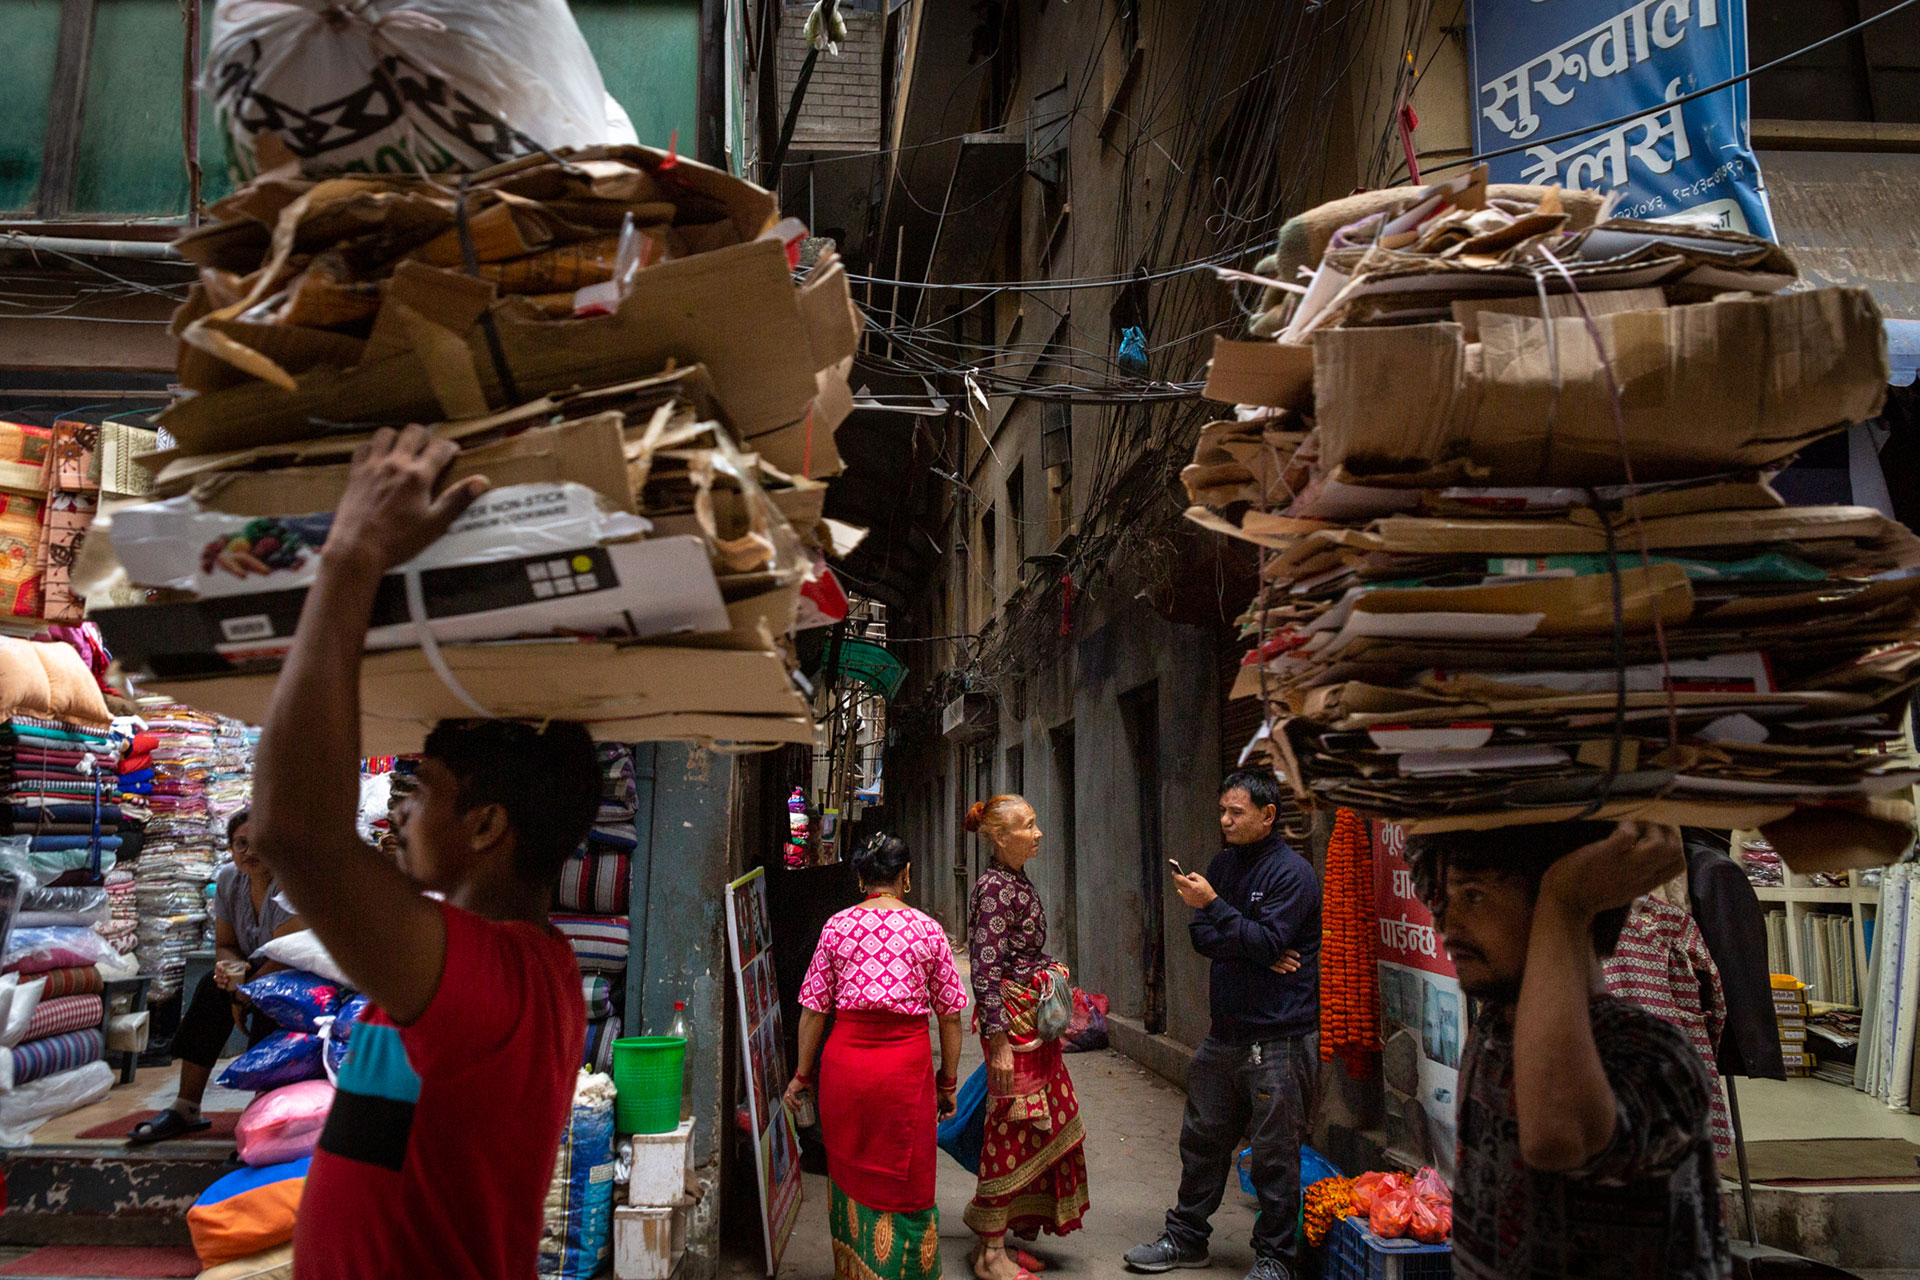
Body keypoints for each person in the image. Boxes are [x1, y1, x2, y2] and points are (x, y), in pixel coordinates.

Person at [249, 425, 601, 1278]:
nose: (398, 815)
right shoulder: (506, 967)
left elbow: (296, 834)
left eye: (420, 792)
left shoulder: (495, 985)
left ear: (484, 826)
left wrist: (353, 555)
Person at [1406, 820, 1728, 1280]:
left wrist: (1565, 902)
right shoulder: (1497, 1026)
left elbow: (1556, 1135)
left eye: (1474, 895)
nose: (1448, 925)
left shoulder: (1651, 1054)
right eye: (1444, 900)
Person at [1125, 770, 1320, 1280]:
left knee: (1275, 1153)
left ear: (1267, 815)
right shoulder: (1222, 865)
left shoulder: (1292, 874)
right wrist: (1252, 944)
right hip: (1225, 1032)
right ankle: (1187, 1238)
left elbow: (1255, 938)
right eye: (1223, 811)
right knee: (1202, 1139)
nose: (1226, 821)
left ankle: (1277, 1257)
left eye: (1236, 812)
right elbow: (1201, 939)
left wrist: (1217, 908)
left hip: (1278, 1034)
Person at [784, 832, 968, 1280]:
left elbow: (813, 1012)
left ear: (861, 878)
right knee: (907, 1180)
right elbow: (950, 1017)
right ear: (906, 876)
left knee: (848, 1172)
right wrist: (947, 1082)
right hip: (905, 1073)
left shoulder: (836, 927)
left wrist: (802, 1076)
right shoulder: (928, 930)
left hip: (845, 1070)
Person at [964, 794, 1090, 1280]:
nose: (1038, 833)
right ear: (999, 837)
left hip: (1027, 1024)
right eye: (1028, 826)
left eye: (1037, 823)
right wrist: (996, 1040)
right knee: (1010, 1128)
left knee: (1041, 1121)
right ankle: (991, 1255)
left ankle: (995, 1243)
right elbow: (985, 968)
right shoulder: (994, 888)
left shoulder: (1014, 880)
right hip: (1011, 1030)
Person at [126, 809, 306, 1144]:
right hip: (254, 971)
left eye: (258, 844)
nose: (249, 852)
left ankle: (265, 1113)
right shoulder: (228, 880)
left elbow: (287, 955)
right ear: (230, 848)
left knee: (273, 999)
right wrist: (229, 974)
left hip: (296, 974)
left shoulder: (290, 884)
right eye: (240, 844)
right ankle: (186, 1106)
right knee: (211, 988)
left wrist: (244, 993)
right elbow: (225, 944)